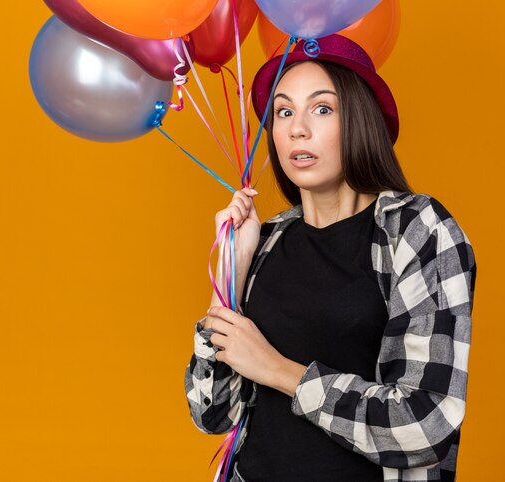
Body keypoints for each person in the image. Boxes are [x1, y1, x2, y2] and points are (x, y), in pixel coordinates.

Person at [184, 34, 477, 482]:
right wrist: (229, 274)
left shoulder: (417, 229)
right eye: (284, 111)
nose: (297, 128)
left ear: (359, 120)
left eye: (322, 108)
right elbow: (212, 414)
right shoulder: (268, 240)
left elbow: (426, 424)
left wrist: (279, 371)